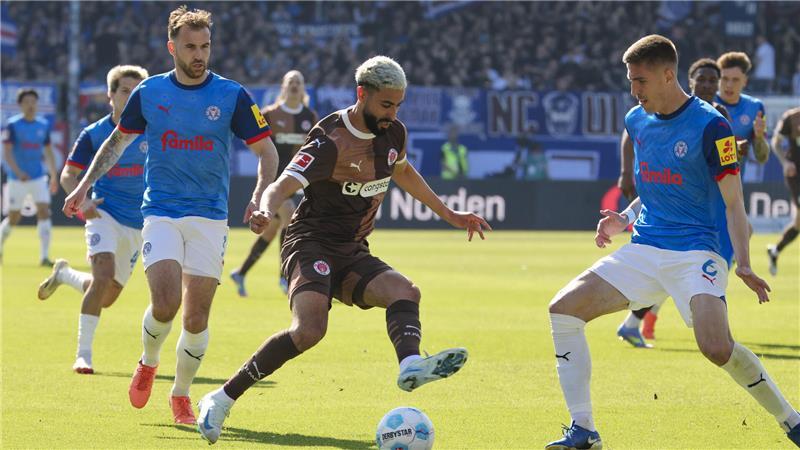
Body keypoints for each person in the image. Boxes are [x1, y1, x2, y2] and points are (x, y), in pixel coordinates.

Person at [195, 56, 491, 445]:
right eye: (386, 104)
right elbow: (282, 185)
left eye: (398, 105)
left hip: (352, 249)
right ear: (362, 94)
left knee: (405, 291)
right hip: (309, 242)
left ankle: (410, 364)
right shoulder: (330, 138)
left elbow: (402, 171)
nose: (393, 114)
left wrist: (449, 213)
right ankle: (220, 398)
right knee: (310, 329)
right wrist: (265, 208)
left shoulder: (393, 132)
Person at [545, 35, 800, 449]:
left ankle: (791, 420)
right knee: (563, 310)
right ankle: (584, 430)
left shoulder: (712, 126)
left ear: (667, 75)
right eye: (631, 80)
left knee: (716, 348)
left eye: (640, 80)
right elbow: (653, 186)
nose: (634, 90)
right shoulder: (636, 120)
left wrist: (745, 263)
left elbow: (734, 203)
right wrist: (625, 218)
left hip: (697, 251)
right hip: (645, 248)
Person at [62, 6, 279, 425]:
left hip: (210, 217)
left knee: (196, 319)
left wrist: (259, 198)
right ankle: (148, 361)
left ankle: (180, 393)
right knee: (165, 303)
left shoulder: (231, 95)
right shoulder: (150, 92)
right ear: (172, 47)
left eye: (205, 47)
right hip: (160, 211)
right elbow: (117, 143)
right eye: (191, 47)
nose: (200, 55)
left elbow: (267, 151)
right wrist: (84, 184)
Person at [615, 58, 737, 345]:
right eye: (701, 79)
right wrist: (626, 171)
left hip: (709, 205)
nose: (707, 85)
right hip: (687, 210)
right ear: (689, 81)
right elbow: (630, 133)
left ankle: (636, 322)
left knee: (694, 269)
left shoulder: (717, 117)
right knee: (689, 268)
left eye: (712, 80)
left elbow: (725, 161)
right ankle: (716, 336)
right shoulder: (663, 110)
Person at [37, 65, 149, 375]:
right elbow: (68, 175)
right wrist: (83, 201)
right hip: (104, 214)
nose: (130, 97)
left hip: (139, 222)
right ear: (110, 95)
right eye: (125, 91)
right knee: (102, 278)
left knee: (106, 296)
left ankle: (65, 275)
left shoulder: (153, 130)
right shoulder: (94, 134)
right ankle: (83, 355)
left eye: (137, 93)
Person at [230, 70, 318, 297]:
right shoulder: (270, 114)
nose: (294, 85)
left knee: (271, 230)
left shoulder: (310, 117)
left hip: (295, 181)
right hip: (273, 181)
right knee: (290, 215)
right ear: (283, 86)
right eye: (291, 81)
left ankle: (241, 272)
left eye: (299, 82)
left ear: (303, 88)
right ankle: (284, 276)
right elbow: (255, 142)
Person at [0, 89, 58, 265]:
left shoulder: (43, 125)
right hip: (17, 178)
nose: (30, 105)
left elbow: (48, 152)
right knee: (14, 217)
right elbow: (7, 153)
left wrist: (53, 175)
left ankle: (44, 256)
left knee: (44, 211)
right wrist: (18, 172)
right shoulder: (12, 125)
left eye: (33, 101)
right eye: (27, 102)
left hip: (38, 177)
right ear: (20, 105)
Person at [715, 52, 770, 172]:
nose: (729, 85)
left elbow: (762, 158)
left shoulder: (756, 107)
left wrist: (759, 137)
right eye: (725, 79)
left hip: (735, 181)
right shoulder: (706, 102)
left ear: (745, 81)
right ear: (718, 78)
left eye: (735, 80)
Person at [767, 107, 800, 276]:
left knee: (798, 224)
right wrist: (785, 163)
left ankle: (775, 250)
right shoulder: (792, 117)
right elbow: (776, 142)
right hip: (796, 174)